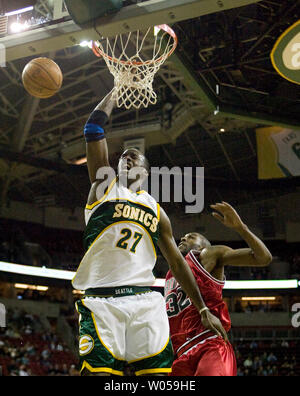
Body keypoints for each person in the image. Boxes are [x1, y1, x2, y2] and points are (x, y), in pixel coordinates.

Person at [72, 88, 227, 376]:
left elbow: (177, 263)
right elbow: (92, 128)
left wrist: (203, 308)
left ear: (146, 171)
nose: (127, 159)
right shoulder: (104, 187)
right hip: (103, 302)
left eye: (135, 157)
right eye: (124, 157)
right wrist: (117, 90)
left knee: (157, 379)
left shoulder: (157, 211)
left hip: (145, 301)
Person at [165, 201, 272, 376]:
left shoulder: (207, 255)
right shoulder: (172, 274)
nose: (184, 238)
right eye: (184, 236)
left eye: (191, 235)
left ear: (203, 245)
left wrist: (241, 228)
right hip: (182, 353)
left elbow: (263, 258)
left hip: (209, 344)